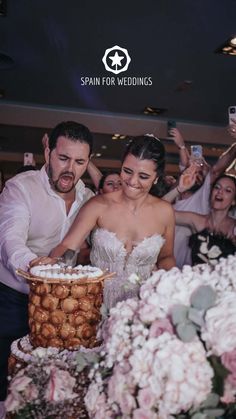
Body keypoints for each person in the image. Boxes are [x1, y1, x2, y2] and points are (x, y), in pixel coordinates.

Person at [0, 121, 94, 405]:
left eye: (79, 162)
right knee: (7, 383)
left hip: (64, 309)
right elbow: (10, 241)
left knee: (51, 389)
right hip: (13, 301)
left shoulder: (89, 199)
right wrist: (37, 266)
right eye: (63, 158)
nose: (70, 169)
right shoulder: (20, 188)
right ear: (48, 151)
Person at [32, 135, 176, 310]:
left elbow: (166, 257)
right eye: (127, 171)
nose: (132, 181)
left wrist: (173, 286)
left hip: (144, 308)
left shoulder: (165, 212)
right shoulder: (98, 205)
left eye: (143, 176)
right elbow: (68, 246)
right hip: (96, 305)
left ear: (157, 178)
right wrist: (53, 264)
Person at [175, 174, 236, 265]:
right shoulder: (196, 220)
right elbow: (159, 212)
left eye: (228, 190)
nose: (220, 192)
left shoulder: (234, 227)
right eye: (217, 187)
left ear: (233, 201)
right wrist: (178, 189)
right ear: (211, 193)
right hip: (196, 278)